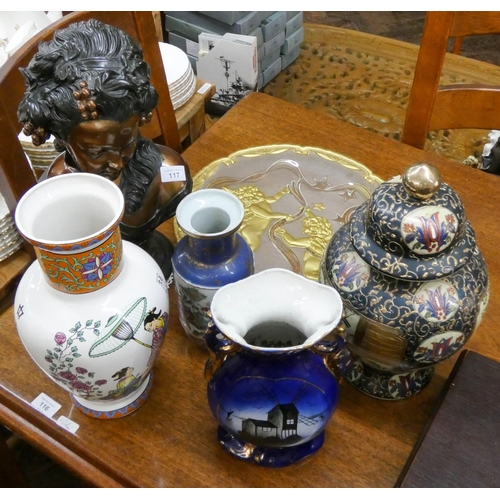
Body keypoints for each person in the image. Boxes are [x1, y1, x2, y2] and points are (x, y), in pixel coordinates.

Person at [17, 18, 192, 276]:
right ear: (63, 139)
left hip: (157, 263)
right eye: (97, 152)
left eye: (128, 142)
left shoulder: (168, 175)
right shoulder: (53, 197)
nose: (118, 163)